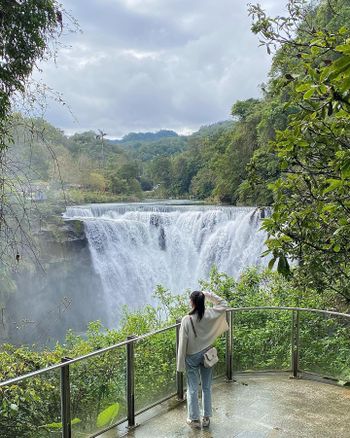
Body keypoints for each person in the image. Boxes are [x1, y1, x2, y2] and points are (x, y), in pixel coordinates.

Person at [177, 290, 228, 429]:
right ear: (203, 301)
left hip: (192, 357)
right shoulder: (210, 313)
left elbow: (182, 343)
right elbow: (224, 304)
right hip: (207, 353)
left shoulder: (186, 320)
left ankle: (194, 420)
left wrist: (180, 365)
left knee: (192, 388)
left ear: (192, 302)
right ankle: (206, 418)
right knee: (206, 386)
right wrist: (209, 294)